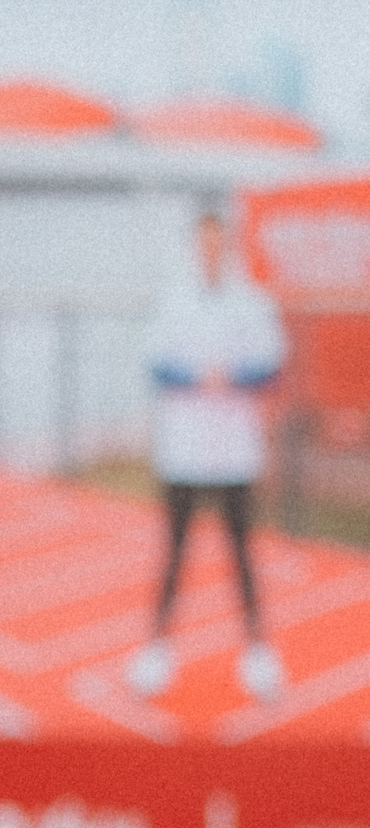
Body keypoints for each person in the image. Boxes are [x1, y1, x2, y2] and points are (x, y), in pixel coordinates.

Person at [127, 206, 290, 703]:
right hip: (183, 447)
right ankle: (158, 648)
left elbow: (272, 367)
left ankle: (257, 649)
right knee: (175, 550)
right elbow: (154, 366)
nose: (211, 252)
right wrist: (199, 378)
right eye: (203, 244)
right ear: (194, 247)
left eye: (218, 243)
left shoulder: (253, 303)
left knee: (241, 552)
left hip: (235, 448)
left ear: (229, 246)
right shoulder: (172, 302)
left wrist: (233, 378)